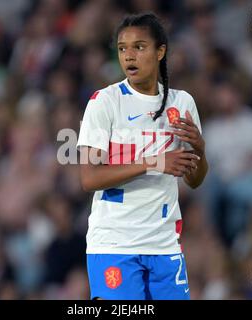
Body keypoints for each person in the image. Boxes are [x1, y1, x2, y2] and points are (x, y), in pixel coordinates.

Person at [77, 13, 208, 300]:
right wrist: (155, 162)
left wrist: (199, 149)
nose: (129, 56)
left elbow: (195, 180)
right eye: (122, 48)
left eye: (139, 47)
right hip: (115, 243)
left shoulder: (182, 103)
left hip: (164, 244)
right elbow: (90, 178)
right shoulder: (105, 102)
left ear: (160, 51)